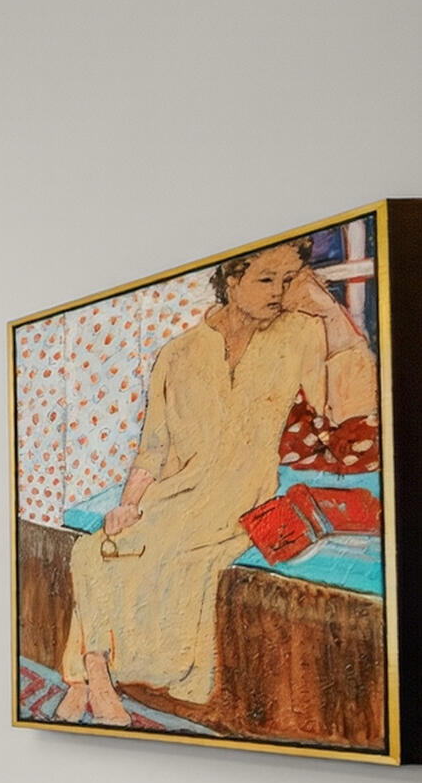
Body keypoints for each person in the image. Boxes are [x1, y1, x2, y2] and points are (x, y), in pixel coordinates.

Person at [55, 237, 377, 725]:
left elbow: (348, 405)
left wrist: (329, 311)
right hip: (177, 494)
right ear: (231, 281)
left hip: (240, 499)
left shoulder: (299, 335)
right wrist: (129, 503)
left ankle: (87, 682)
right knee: (93, 548)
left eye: (288, 280)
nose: (279, 291)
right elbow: (154, 448)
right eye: (266, 279)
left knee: (180, 561)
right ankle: (95, 679)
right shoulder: (177, 354)